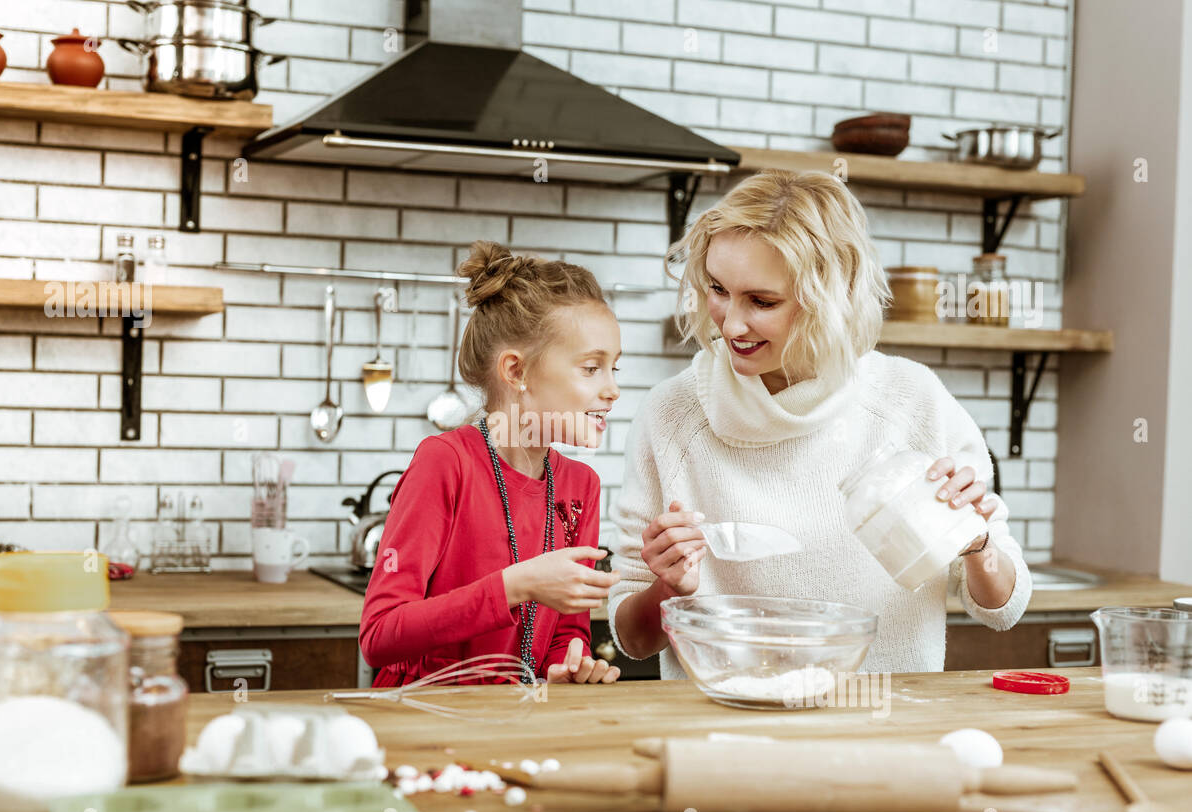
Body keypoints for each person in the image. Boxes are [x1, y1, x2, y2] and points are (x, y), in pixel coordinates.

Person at [608, 170, 1032, 678]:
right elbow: (633, 640)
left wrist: (978, 544)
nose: (730, 323)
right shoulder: (671, 415)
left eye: (762, 301)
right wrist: (668, 586)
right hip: (722, 737)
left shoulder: (913, 401)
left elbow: (1003, 608)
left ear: (831, 296)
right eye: (717, 289)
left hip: (880, 733)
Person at [360, 240, 624, 686]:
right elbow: (381, 635)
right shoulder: (445, 463)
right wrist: (514, 586)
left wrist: (569, 663)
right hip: (421, 718)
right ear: (516, 371)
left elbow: (567, 629)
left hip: (517, 723)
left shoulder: (582, 485)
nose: (613, 390)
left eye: (616, 368)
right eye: (592, 368)